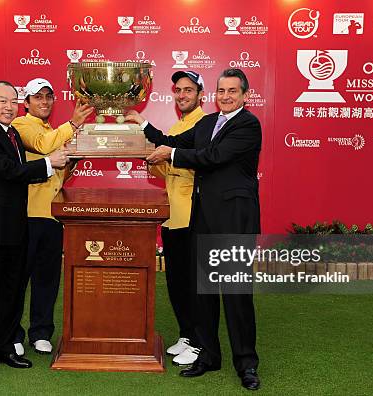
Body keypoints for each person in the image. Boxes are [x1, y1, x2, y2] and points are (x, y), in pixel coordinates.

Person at [126, 68, 262, 390]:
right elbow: (171, 141)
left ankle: (246, 363)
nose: (226, 96)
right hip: (202, 218)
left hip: (233, 222)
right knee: (204, 294)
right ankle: (209, 356)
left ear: (246, 95)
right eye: (222, 91)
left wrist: (172, 154)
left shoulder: (248, 124)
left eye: (232, 91)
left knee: (236, 295)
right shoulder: (206, 123)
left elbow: (212, 157)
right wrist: (141, 124)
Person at [0, 81, 69, 381]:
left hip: (15, 227)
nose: (8, 106)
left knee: (10, 293)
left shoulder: (12, 134)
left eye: (12, 100)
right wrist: (49, 164)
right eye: (2, 101)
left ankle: (2, 346)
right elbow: (9, 172)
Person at [11, 78, 93, 356]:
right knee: (19, 278)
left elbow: (59, 173)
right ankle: (12, 333)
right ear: (27, 103)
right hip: (28, 215)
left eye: (48, 97)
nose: (44, 102)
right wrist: (72, 125)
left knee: (47, 278)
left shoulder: (52, 129)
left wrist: (74, 159)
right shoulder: (22, 125)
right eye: (38, 97)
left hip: (54, 215)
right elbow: (43, 146)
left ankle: (41, 331)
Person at [146, 71, 206, 366]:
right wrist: (151, 158)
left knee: (192, 283)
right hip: (172, 217)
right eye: (178, 90)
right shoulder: (179, 124)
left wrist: (163, 152)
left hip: (192, 216)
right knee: (177, 281)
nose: (182, 95)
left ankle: (198, 341)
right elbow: (171, 170)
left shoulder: (203, 124)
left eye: (188, 90)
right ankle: (186, 333)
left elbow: (193, 165)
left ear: (200, 95)